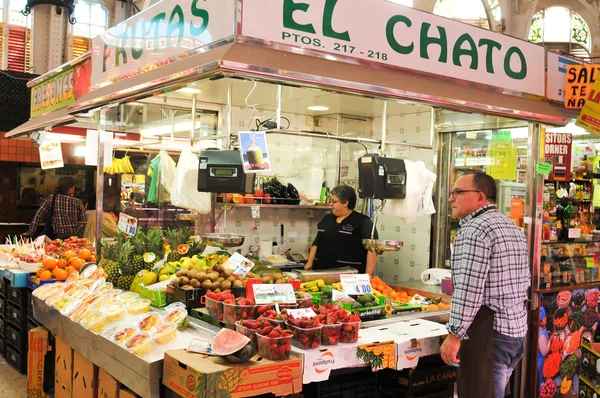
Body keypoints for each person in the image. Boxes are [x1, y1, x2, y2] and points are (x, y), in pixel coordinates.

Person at [439, 171, 530, 398]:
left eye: (457, 192)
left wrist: (454, 336)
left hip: (491, 334)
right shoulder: (512, 228)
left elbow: (469, 290)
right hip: (515, 332)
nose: (451, 199)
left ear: (480, 197)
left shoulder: (474, 230)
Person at [304, 185, 378, 275]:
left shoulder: (363, 221)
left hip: (349, 276)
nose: (331, 204)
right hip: (321, 272)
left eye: (334, 201)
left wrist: (368, 275)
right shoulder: (327, 219)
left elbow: (372, 249)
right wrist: (309, 262)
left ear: (345, 203)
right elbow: (317, 242)